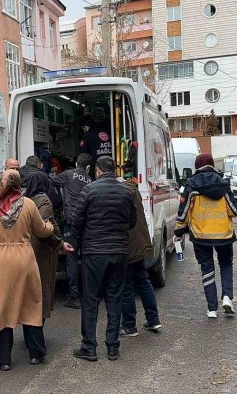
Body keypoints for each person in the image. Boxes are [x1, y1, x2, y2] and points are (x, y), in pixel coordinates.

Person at [0, 170, 57, 371]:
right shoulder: (28, 204)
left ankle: (3, 359)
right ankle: (36, 353)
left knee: (2, 307)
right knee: (30, 305)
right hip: (24, 258)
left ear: (2, 185)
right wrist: (50, 226)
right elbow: (41, 230)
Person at [70, 156, 136, 363]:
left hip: (94, 253)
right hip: (119, 252)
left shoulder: (89, 190)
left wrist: (80, 242)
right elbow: (132, 221)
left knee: (90, 300)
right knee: (114, 299)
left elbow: (76, 220)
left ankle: (89, 347)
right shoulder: (126, 191)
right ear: (114, 170)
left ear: (97, 171)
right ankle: (112, 347)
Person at [175, 153, 237, 318]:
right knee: (226, 264)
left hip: (201, 236)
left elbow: (183, 212)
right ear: (212, 164)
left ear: (197, 166)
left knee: (207, 268)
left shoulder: (191, 185)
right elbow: (234, 211)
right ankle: (227, 297)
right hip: (224, 235)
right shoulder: (223, 183)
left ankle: (212, 309)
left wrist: (178, 231)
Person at [23, 170, 71, 357]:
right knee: (41, 294)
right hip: (41, 254)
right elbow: (44, 231)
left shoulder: (23, 201)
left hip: (25, 252)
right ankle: (35, 341)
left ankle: (31, 337)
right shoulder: (44, 201)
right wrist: (59, 244)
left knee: (29, 296)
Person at [49, 153, 93, 309]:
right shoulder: (90, 180)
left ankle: (74, 297)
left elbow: (51, 180)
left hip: (71, 221)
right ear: (88, 167)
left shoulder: (68, 174)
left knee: (72, 258)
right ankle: (89, 294)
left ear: (76, 164)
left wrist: (51, 172)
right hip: (86, 222)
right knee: (87, 258)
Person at [120, 179, 162, 337]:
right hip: (139, 243)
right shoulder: (133, 190)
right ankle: (153, 319)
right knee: (143, 282)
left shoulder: (119, 193)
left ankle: (129, 326)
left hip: (127, 245)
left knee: (126, 287)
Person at [79, 108, 112, 173]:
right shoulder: (112, 132)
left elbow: (83, 154)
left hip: (95, 169)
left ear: (92, 118)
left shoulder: (88, 135)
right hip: (111, 166)